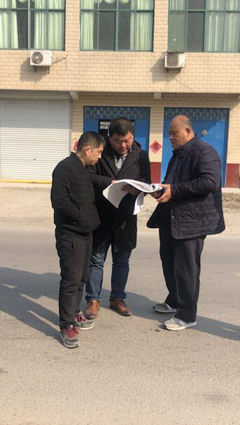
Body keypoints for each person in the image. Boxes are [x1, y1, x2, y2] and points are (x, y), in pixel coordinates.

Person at [147, 115, 225, 331]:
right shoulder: (178, 154)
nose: (171, 137)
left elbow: (209, 182)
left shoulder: (204, 152)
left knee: (186, 269)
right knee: (169, 262)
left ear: (188, 131)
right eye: (169, 134)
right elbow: (173, 184)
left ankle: (187, 315)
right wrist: (161, 190)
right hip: (171, 219)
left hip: (191, 222)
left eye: (175, 133)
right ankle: (174, 300)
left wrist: (174, 190)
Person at [85, 118, 151, 319]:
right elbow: (89, 177)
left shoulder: (141, 155)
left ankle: (117, 299)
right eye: (117, 141)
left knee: (122, 261)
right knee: (96, 260)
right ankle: (93, 300)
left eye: (127, 140)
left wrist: (137, 189)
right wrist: (110, 182)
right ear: (109, 138)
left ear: (132, 136)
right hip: (101, 215)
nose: (123, 145)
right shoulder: (100, 152)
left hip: (126, 217)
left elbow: (146, 181)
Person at [51, 132, 104, 348]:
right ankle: (66, 325)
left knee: (82, 278)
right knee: (71, 280)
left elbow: (95, 181)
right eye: (98, 152)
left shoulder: (84, 169)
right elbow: (59, 201)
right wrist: (81, 217)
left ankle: (74, 313)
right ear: (87, 149)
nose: (99, 157)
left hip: (85, 233)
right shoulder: (65, 168)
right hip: (71, 234)